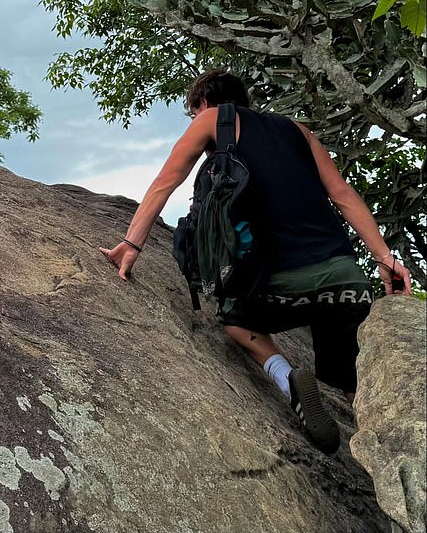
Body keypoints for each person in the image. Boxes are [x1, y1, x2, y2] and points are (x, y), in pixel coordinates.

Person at [100, 68, 412, 454]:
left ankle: (287, 377)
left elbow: (168, 180)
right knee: (355, 386)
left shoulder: (213, 118)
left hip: (277, 286)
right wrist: (386, 258)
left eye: (193, 110)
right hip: (343, 280)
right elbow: (343, 194)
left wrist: (132, 244)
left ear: (203, 103)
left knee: (234, 319)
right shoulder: (299, 131)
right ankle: (396, 453)